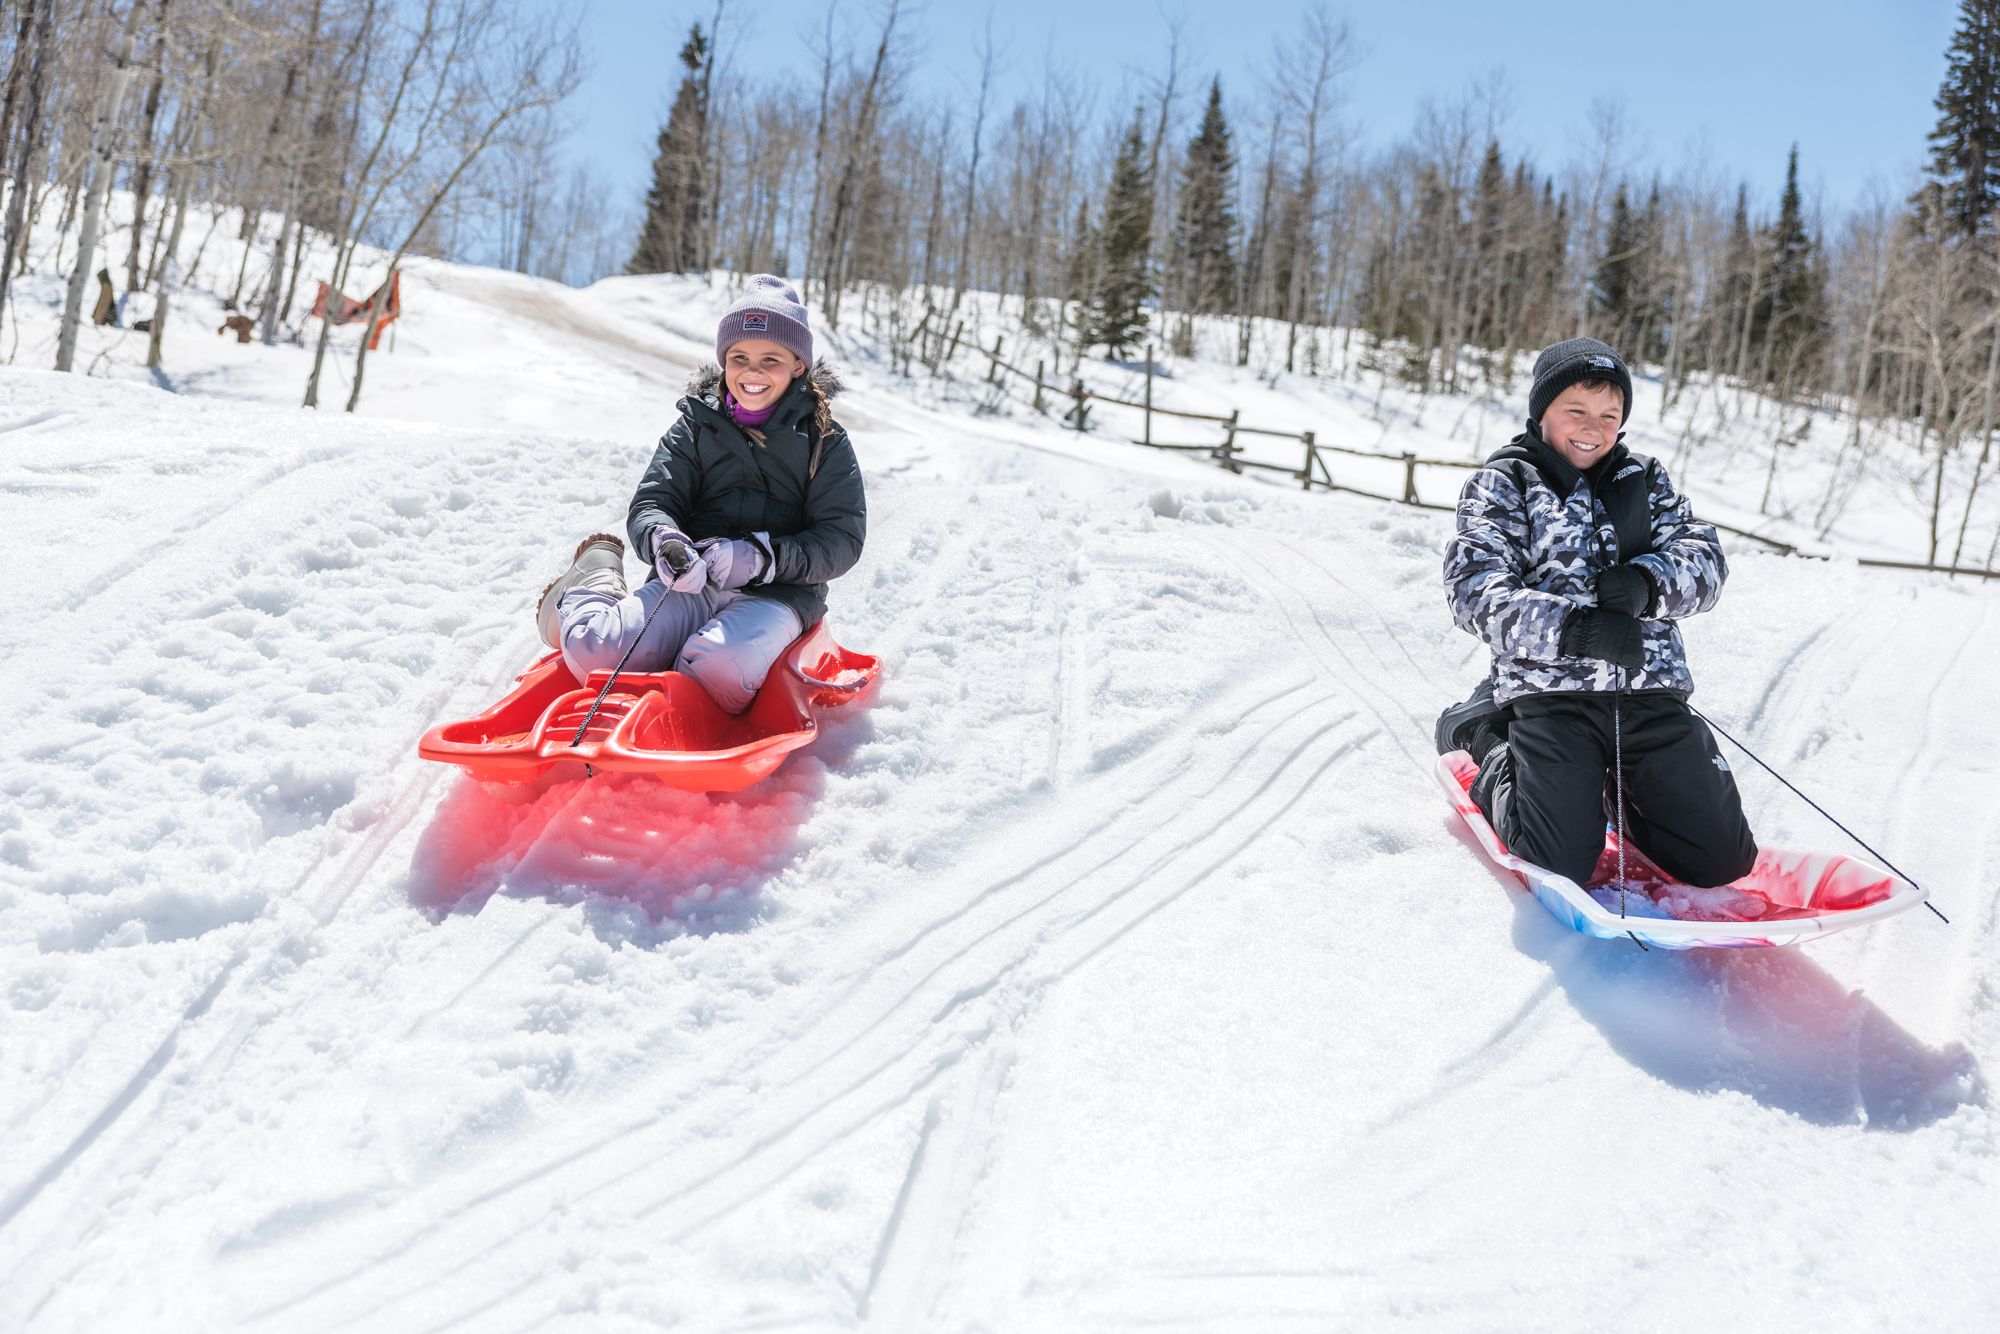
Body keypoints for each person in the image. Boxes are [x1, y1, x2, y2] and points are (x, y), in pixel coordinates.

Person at [1438, 337, 1757, 889]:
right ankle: (1485, 732)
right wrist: (1575, 629)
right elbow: (1474, 589)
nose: (1594, 427)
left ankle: (1619, 795)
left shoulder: (1645, 480)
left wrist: (1644, 584)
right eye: (1576, 410)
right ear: (1542, 413)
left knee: (1721, 862)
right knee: (1555, 863)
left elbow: (1705, 562)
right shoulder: (1504, 482)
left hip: (1649, 689)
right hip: (1550, 693)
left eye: (1610, 414)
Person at [534, 275, 866, 713]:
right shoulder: (693, 427)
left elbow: (841, 538)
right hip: (692, 584)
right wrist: (666, 543)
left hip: (778, 595)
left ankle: (685, 695)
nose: (752, 371)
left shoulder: (825, 440)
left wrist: (764, 558)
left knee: (719, 669)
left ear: (798, 365)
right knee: (597, 654)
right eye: (739, 357)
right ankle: (594, 583)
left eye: (772, 358)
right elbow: (655, 502)